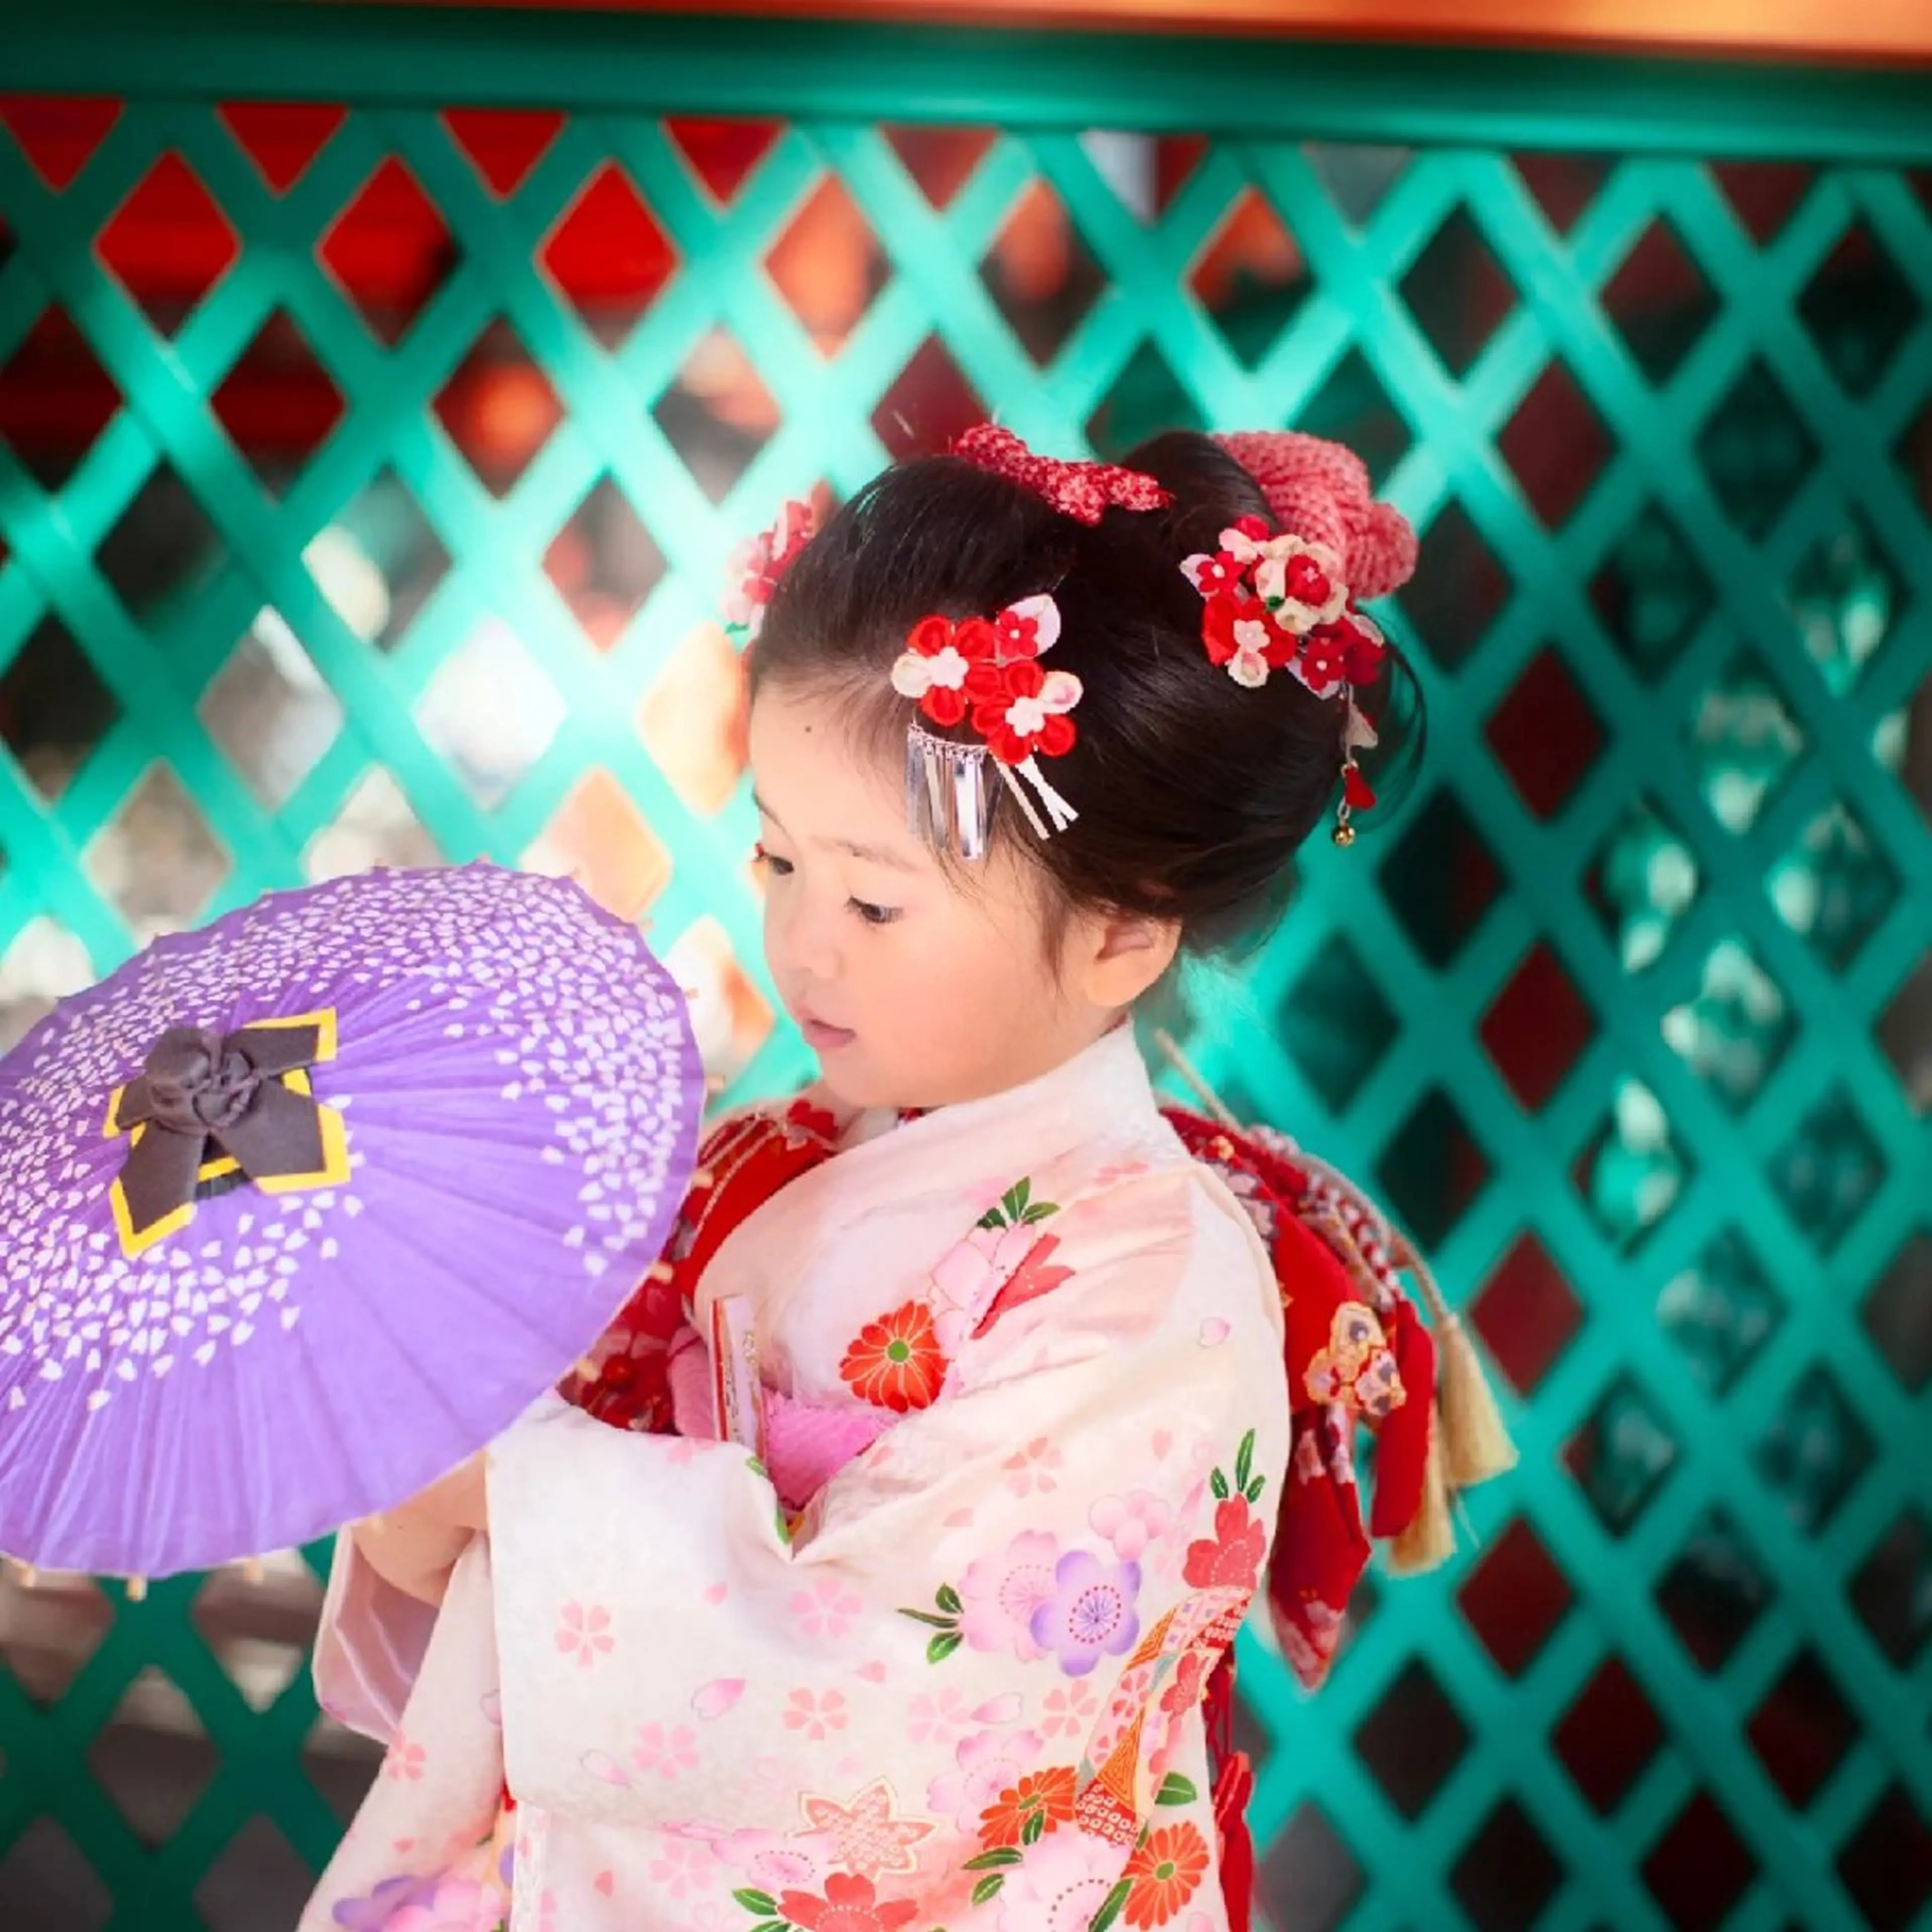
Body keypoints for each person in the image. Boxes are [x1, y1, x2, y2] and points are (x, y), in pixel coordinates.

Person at [298, 425, 1510, 1932]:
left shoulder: (1153, 1289)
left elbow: (905, 1687)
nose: (804, 944)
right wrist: (445, 1482)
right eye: (777, 864)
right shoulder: (775, 1157)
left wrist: (516, 1495)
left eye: (874, 896)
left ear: (1123, 934)